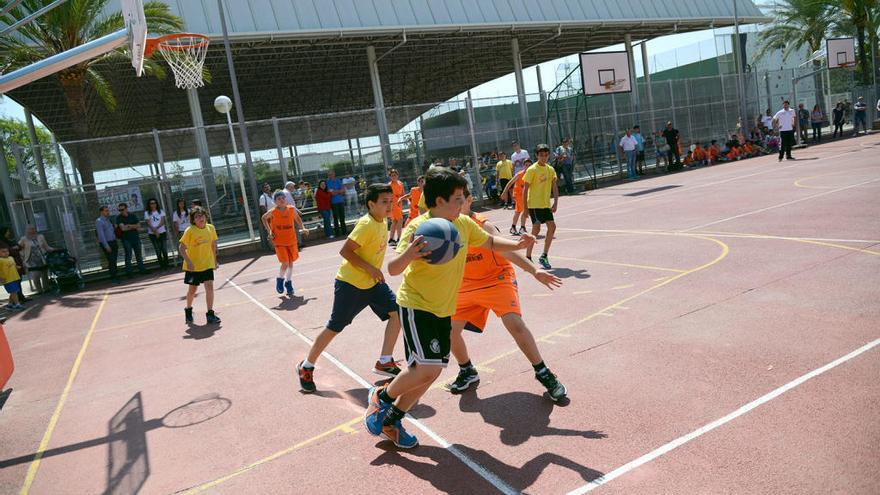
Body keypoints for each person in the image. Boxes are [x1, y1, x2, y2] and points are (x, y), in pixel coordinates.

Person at [363, 167, 535, 449]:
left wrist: (516, 242)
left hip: (443, 308)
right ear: (439, 201)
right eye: (457, 198)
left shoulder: (464, 224)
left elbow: (489, 241)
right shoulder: (417, 227)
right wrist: (410, 253)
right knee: (426, 368)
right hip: (417, 305)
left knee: (430, 372)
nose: (462, 202)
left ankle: (392, 419)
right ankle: (381, 397)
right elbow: (394, 268)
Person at [446, 188, 566, 400]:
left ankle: (543, 372)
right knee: (449, 332)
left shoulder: (483, 225)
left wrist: (534, 270)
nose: (455, 205)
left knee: (515, 325)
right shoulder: (444, 228)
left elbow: (506, 250)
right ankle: (467, 370)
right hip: (465, 286)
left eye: (459, 200)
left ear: (469, 201)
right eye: (451, 200)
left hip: (496, 280)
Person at [297, 184, 403, 392]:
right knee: (335, 326)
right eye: (384, 202)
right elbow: (345, 251)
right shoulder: (366, 224)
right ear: (371, 204)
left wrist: (373, 271)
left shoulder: (382, 222)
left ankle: (385, 361)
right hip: (350, 285)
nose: (389, 205)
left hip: (372, 284)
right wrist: (371, 269)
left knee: (397, 313)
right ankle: (307, 366)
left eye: (391, 201)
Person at [179, 206, 220, 324]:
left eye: (201, 215)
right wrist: (188, 261)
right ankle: (188, 309)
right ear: (193, 220)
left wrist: (214, 261)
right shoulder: (190, 231)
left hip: (207, 263)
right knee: (192, 290)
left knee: (209, 287)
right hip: (194, 267)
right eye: (197, 217)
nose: (200, 218)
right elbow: (181, 248)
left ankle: (210, 314)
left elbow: (213, 245)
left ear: (205, 216)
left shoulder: (210, 228)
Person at [261, 191, 306, 297]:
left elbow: (298, 218)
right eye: (279, 199)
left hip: (291, 240)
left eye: (283, 198)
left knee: (291, 263)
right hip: (279, 241)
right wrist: (270, 231)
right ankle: (280, 279)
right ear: (275, 201)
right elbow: (263, 218)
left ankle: (288, 283)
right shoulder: (273, 211)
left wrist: (303, 228)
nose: (281, 200)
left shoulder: (291, 209)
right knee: (285, 262)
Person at [523, 144, 559, 270]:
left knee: (552, 227)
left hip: (545, 205)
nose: (543, 157)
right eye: (541, 155)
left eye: (546, 155)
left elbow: (554, 186)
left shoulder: (550, 169)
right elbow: (525, 189)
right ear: (537, 156)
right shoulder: (532, 169)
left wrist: (555, 202)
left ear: (548, 155)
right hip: (534, 205)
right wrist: (525, 208)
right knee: (536, 230)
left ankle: (544, 255)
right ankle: (527, 257)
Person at [19, 225, 55, 293]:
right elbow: (18, 248)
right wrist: (22, 256)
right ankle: (39, 290)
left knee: (44, 275)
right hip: (31, 261)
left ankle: (46, 289)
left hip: (42, 258)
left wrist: (53, 249)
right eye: (30, 229)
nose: (32, 230)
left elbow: (46, 247)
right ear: (27, 230)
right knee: (36, 276)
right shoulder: (23, 239)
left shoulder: (40, 236)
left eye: (33, 229)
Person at [115, 203, 146, 276]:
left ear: (126, 208)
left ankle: (142, 270)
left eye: (122, 209)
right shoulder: (119, 218)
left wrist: (129, 226)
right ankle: (129, 273)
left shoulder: (132, 215)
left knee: (139, 255)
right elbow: (123, 229)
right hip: (126, 239)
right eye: (119, 210)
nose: (121, 211)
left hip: (135, 238)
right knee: (128, 256)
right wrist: (133, 226)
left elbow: (139, 225)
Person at [96, 206, 120, 283]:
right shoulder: (99, 221)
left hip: (113, 242)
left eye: (108, 210)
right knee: (111, 260)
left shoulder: (108, 220)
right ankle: (114, 278)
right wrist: (106, 246)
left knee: (114, 260)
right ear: (101, 212)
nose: (108, 212)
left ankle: (115, 276)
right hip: (107, 243)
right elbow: (101, 235)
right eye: (106, 211)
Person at [144, 198, 169, 269]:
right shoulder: (147, 213)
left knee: (164, 248)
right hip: (152, 234)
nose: (153, 205)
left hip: (162, 232)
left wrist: (157, 229)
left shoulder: (161, 211)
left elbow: (162, 221)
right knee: (157, 249)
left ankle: (166, 265)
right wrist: (155, 231)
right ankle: (161, 265)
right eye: (151, 203)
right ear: (149, 205)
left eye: (154, 203)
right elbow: (148, 223)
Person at [0, 245, 24, 311]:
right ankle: (17, 305)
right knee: (14, 292)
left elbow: (14, 265)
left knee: (13, 292)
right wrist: (1, 278)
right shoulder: (0, 260)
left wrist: (18, 267)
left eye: (7, 251)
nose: (6, 252)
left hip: (15, 278)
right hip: (7, 280)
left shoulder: (11, 258)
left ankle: (9, 305)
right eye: (3, 252)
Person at [327, 171, 347, 236]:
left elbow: (343, 190)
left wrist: (336, 191)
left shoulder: (338, 180)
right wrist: (338, 191)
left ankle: (344, 232)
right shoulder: (327, 182)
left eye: (332, 174)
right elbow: (330, 193)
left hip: (340, 201)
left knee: (342, 217)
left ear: (334, 174)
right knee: (335, 218)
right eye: (329, 174)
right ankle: (337, 233)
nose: (331, 175)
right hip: (333, 202)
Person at [388, 169, 405, 246]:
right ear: (390, 177)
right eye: (392, 175)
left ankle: (391, 239)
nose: (393, 176)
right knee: (400, 220)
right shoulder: (389, 185)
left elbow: (402, 194)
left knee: (394, 221)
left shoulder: (401, 183)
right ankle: (399, 238)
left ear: (397, 175)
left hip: (399, 205)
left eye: (395, 175)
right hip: (393, 205)